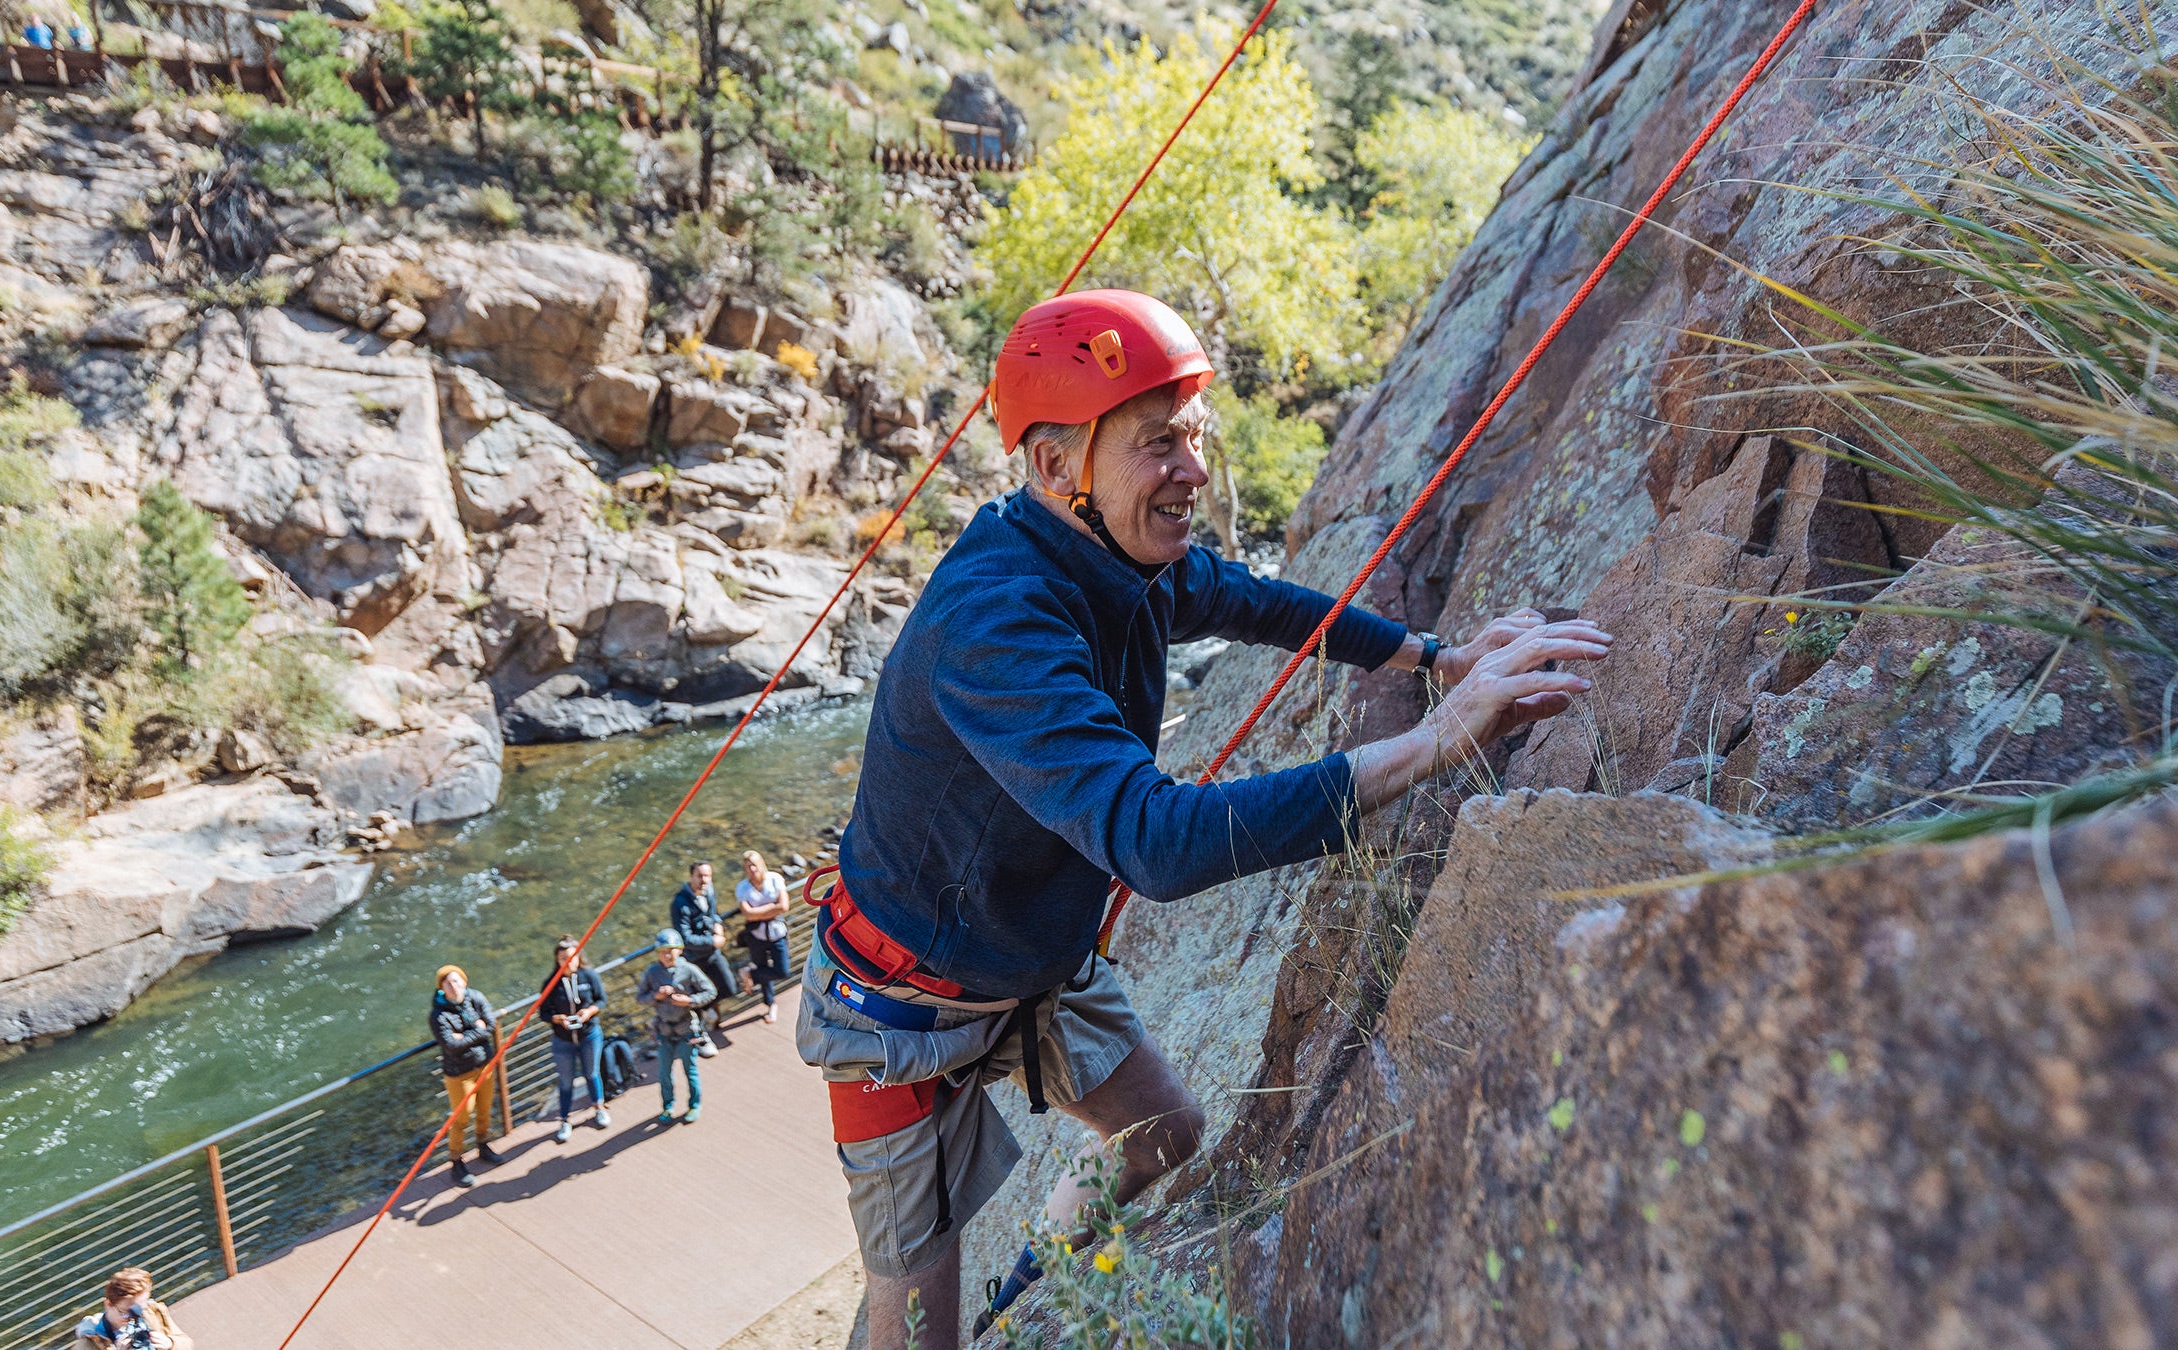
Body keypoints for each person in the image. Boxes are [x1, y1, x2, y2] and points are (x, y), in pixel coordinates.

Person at [792, 288, 1615, 1349]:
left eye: (1191, 436)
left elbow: (1255, 600)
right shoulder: (995, 619)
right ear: (1057, 471)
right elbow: (1158, 842)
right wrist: (1436, 738)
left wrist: (1433, 657)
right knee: (914, 1335)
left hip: (1023, 961)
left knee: (1164, 1134)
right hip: (895, 1010)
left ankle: (1036, 1287)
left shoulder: (1120, 559)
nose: (1189, 468)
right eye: (1156, 444)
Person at [428, 964, 504, 1188]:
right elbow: (451, 1045)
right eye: (447, 983)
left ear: (464, 981)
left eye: (456, 980)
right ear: (441, 988)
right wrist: (477, 1031)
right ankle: (456, 1160)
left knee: (484, 1110)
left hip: (484, 1065)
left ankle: (483, 1145)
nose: (453, 986)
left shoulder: (476, 998)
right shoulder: (438, 1014)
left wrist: (465, 1036)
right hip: (459, 1074)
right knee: (461, 1118)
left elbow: (490, 1025)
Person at [636, 928, 714, 1124]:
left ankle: (694, 1105)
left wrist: (689, 1001)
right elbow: (640, 998)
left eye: (671, 950)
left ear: (680, 950)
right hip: (663, 1031)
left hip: (686, 1029)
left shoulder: (688, 970)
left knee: (691, 1071)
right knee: (664, 1074)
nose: (667, 955)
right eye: (663, 951)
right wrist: (656, 996)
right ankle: (667, 1106)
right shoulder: (652, 973)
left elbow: (710, 991)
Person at [538, 934, 610, 1141]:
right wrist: (557, 1019)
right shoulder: (550, 984)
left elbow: (602, 1000)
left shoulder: (589, 976)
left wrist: (589, 1011)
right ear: (557, 960)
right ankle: (564, 1120)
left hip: (589, 1035)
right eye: (563, 959)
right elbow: (543, 1012)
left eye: (571, 957)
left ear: (578, 957)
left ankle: (599, 1107)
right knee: (566, 1081)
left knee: (592, 1073)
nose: (567, 963)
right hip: (563, 1041)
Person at [668, 860, 738, 1046]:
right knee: (698, 995)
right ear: (691, 876)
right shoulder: (679, 903)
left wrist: (718, 926)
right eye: (700, 876)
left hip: (712, 954)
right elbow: (685, 937)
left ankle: (708, 1009)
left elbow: (713, 914)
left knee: (730, 987)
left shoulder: (709, 891)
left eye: (707, 876)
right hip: (695, 960)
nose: (704, 880)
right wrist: (712, 941)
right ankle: (700, 1033)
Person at [71, 1267, 192, 1350]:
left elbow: (187, 1343)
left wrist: (170, 1343)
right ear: (108, 1305)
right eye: (125, 1312)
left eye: (139, 1309)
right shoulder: (88, 1344)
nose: (134, 1318)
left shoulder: (152, 1312)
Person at [735, 850, 790, 1023]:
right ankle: (770, 1003)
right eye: (748, 866)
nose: (752, 869)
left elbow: (784, 906)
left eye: (754, 864)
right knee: (763, 968)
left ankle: (748, 973)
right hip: (756, 936)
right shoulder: (742, 888)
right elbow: (748, 914)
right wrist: (771, 909)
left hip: (777, 934)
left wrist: (758, 912)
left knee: (782, 971)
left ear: (761, 864)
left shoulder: (775, 879)